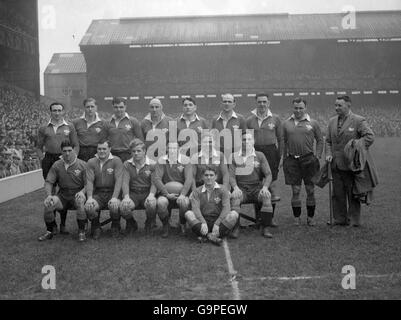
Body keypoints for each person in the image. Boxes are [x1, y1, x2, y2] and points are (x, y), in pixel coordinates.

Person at [325, 95, 378, 227]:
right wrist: (328, 154)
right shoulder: (331, 121)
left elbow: (370, 137)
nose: (336, 108)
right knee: (337, 193)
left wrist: (356, 146)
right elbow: (328, 141)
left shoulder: (358, 120)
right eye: (335, 105)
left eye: (339, 105)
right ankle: (339, 219)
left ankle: (354, 220)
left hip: (351, 165)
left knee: (352, 193)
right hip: (335, 164)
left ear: (348, 105)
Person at [282, 97, 323, 226]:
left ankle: (310, 217)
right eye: (296, 108)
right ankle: (296, 217)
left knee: (310, 190)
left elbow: (320, 140)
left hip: (309, 159)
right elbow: (283, 141)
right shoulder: (286, 123)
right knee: (296, 190)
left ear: (305, 108)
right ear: (292, 108)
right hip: (292, 160)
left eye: (301, 108)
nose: (298, 110)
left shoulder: (313, 123)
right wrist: (283, 158)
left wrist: (317, 155)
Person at [37, 140, 87, 242]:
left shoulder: (82, 165)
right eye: (64, 151)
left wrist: (82, 192)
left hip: (77, 194)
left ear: (74, 150)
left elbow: (88, 184)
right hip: (63, 195)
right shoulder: (57, 165)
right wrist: (49, 195)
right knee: (48, 204)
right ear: (61, 151)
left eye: (69, 150)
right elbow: (49, 182)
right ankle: (49, 232)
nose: (67, 153)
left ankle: (82, 232)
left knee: (80, 202)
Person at [229, 132, 275, 238]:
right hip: (241, 188)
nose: (247, 142)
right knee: (235, 198)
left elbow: (268, 174)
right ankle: (236, 228)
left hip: (256, 188)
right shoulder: (234, 156)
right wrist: (235, 188)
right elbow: (231, 176)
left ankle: (265, 228)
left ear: (253, 141)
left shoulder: (260, 155)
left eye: (249, 139)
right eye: (244, 139)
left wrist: (265, 187)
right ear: (241, 142)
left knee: (266, 196)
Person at [185, 166, 239, 246]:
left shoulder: (223, 189)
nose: (209, 177)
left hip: (218, 221)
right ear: (202, 177)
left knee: (234, 215)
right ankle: (212, 236)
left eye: (211, 175)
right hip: (203, 221)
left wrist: (217, 223)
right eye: (206, 175)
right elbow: (195, 209)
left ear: (216, 177)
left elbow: (226, 208)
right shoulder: (196, 191)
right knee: (188, 214)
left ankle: (205, 236)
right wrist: (203, 222)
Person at [246, 93, 283, 202]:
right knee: (257, 181)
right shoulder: (249, 120)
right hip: (255, 151)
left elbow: (281, 139)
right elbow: (246, 139)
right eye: (259, 102)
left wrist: (280, 156)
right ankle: (259, 215)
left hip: (271, 151)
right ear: (256, 103)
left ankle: (270, 216)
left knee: (272, 181)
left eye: (264, 102)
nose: (262, 104)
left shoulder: (275, 119)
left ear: (268, 103)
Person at [85, 141, 123, 239]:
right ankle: (96, 226)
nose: (101, 151)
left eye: (104, 149)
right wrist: (89, 198)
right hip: (98, 193)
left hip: (112, 192)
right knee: (90, 207)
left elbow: (119, 181)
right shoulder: (91, 162)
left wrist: (115, 197)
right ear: (96, 150)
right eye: (99, 149)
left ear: (109, 149)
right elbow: (89, 181)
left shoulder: (116, 160)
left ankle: (115, 226)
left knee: (114, 206)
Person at [153, 141, 192, 237]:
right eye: (170, 148)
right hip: (166, 193)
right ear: (167, 149)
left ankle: (182, 224)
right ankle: (166, 225)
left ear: (179, 149)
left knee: (185, 203)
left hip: (181, 192)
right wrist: (166, 194)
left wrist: (182, 194)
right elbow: (157, 179)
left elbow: (189, 179)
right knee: (161, 203)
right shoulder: (161, 160)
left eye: (175, 148)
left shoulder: (186, 160)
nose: (172, 150)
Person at [119, 139, 158, 235]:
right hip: (133, 193)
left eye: (138, 151)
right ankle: (131, 223)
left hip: (146, 192)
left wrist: (151, 195)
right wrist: (126, 197)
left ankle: (149, 222)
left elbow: (154, 183)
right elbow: (125, 182)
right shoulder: (127, 164)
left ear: (144, 151)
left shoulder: (152, 164)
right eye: (133, 151)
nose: (136, 153)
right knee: (124, 207)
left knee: (152, 204)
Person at [36, 102, 79, 179]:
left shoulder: (70, 126)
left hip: (65, 157)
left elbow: (75, 145)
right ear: (50, 112)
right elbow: (39, 147)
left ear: (63, 112)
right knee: (49, 183)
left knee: (64, 184)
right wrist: (42, 158)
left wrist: (73, 158)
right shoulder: (43, 127)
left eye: (59, 110)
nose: (57, 113)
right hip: (49, 158)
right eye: (54, 110)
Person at [107, 97, 144, 163]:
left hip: (128, 154)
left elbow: (140, 140)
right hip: (112, 154)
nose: (118, 109)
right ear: (112, 107)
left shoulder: (133, 121)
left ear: (125, 107)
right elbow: (104, 140)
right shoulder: (108, 122)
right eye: (116, 107)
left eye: (121, 107)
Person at [211, 93, 247, 161]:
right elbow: (213, 137)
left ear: (234, 104)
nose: (227, 103)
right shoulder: (215, 119)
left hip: (236, 151)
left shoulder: (240, 119)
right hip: (219, 152)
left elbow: (245, 137)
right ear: (221, 103)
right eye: (224, 101)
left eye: (229, 102)